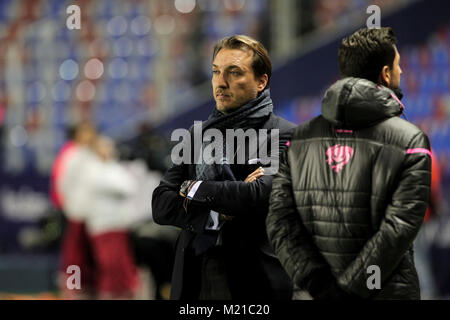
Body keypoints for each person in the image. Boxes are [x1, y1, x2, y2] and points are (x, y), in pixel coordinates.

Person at [266, 27, 432, 300]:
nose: (402, 72)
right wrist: (350, 291)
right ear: (386, 74)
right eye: (398, 65)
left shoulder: (298, 139)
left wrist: (319, 284)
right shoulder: (410, 140)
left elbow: (279, 223)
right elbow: (398, 228)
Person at [152, 35, 296, 300]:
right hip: (195, 275)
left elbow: (259, 194)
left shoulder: (283, 134)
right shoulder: (197, 135)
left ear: (261, 81)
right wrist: (216, 210)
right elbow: (160, 204)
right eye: (216, 72)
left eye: (234, 72)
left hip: (256, 280)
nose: (221, 82)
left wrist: (191, 188)